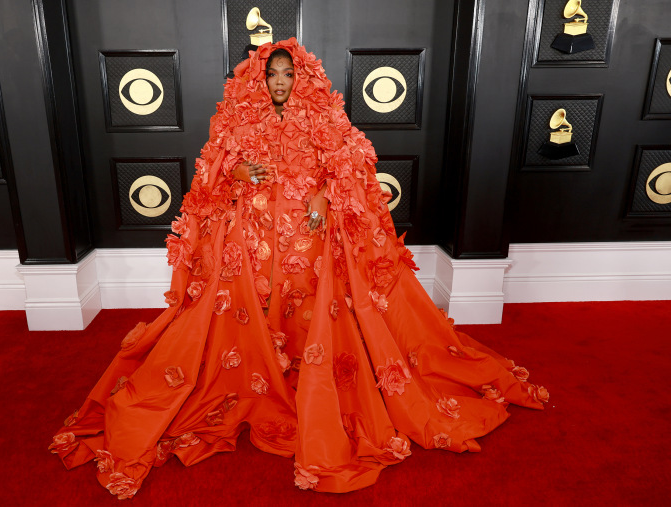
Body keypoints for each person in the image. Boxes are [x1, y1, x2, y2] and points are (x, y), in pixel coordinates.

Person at [49, 39, 548, 499]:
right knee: (242, 313)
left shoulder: (326, 116)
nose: (280, 81)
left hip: (308, 239)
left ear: (302, 77)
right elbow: (210, 176)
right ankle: (260, 373)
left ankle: (306, 377)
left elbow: (352, 168)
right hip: (251, 238)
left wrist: (325, 194)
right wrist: (239, 171)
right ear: (259, 80)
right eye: (273, 75)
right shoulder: (236, 119)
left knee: (312, 309)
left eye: (288, 73)